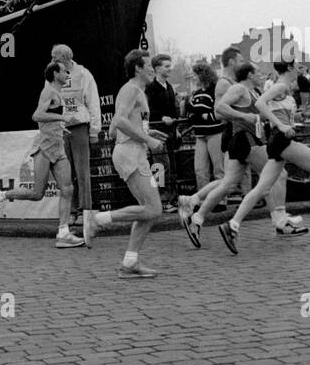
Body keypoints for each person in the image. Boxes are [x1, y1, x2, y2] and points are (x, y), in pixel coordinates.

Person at [215, 60, 310, 253]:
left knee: (262, 187)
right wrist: (281, 125)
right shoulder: (281, 85)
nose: (302, 71)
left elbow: (278, 111)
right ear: (291, 69)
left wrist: (301, 117)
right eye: (299, 68)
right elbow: (260, 104)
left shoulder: (284, 88)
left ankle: (232, 225)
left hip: (278, 141)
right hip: (282, 141)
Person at [178, 58, 306, 245]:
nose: (261, 76)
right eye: (257, 73)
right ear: (250, 75)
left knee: (227, 184)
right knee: (278, 175)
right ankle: (280, 221)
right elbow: (219, 108)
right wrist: (243, 116)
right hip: (247, 140)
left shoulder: (253, 92)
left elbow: (259, 115)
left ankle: (196, 216)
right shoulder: (238, 88)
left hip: (246, 140)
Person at [0, 62, 85, 249]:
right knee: (37, 193)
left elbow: (48, 119)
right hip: (44, 148)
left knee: (67, 189)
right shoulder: (48, 92)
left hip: (57, 146)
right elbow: (37, 116)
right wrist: (62, 118)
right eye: (63, 71)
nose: (67, 73)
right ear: (55, 74)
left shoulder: (58, 93)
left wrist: (60, 127)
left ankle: (63, 233)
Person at [81, 49, 163, 276]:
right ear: (138, 68)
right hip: (131, 154)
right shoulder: (130, 89)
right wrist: (148, 140)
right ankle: (98, 220)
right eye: (149, 66)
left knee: (146, 211)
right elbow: (117, 122)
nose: (153, 70)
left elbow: (116, 128)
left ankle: (130, 262)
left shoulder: (137, 91)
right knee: (153, 208)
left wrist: (148, 133)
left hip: (134, 152)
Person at [51, 43, 101, 223]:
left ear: (65, 57)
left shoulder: (83, 73)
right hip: (60, 128)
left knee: (82, 170)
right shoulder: (53, 74)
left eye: (55, 57)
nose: (52, 60)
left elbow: (93, 102)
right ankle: (71, 211)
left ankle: (85, 210)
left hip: (80, 126)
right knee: (65, 171)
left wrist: (95, 130)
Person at [145, 53, 179, 210]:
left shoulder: (170, 87)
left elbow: (174, 108)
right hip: (157, 131)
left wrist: (176, 128)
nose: (169, 69)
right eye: (166, 66)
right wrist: (161, 117)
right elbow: (149, 110)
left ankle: (172, 197)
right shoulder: (151, 88)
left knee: (171, 165)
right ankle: (161, 199)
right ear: (157, 68)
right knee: (159, 166)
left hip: (170, 131)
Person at [187, 62, 224, 191]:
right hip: (200, 135)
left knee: (219, 168)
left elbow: (218, 113)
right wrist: (201, 115)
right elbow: (190, 114)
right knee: (200, 169)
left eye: (195, 75)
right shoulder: (196, 94)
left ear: (202, 75)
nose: (194, 78)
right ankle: (203, 198)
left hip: (215, 133)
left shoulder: (214, 91)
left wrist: (202, 116)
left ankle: (221, 199)